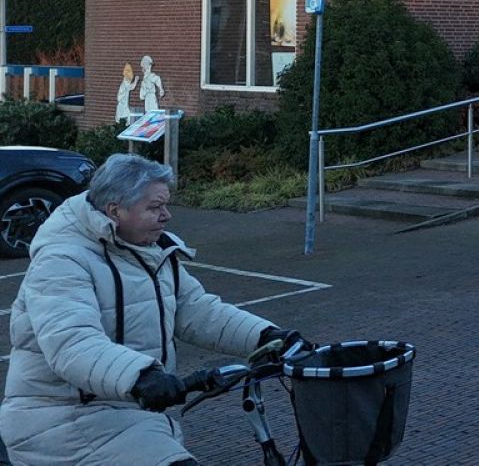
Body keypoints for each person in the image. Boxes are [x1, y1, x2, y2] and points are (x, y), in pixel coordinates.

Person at [0, 154, 305, 466]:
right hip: (61, 417)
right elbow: (72, 343)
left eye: (165, 205)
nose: (166, 215)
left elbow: (195, 310)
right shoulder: (62, 260)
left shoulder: (148, 249)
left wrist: (267, 337)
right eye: (155, 207)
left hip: (127, 410)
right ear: (115, 211)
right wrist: (141, 376)